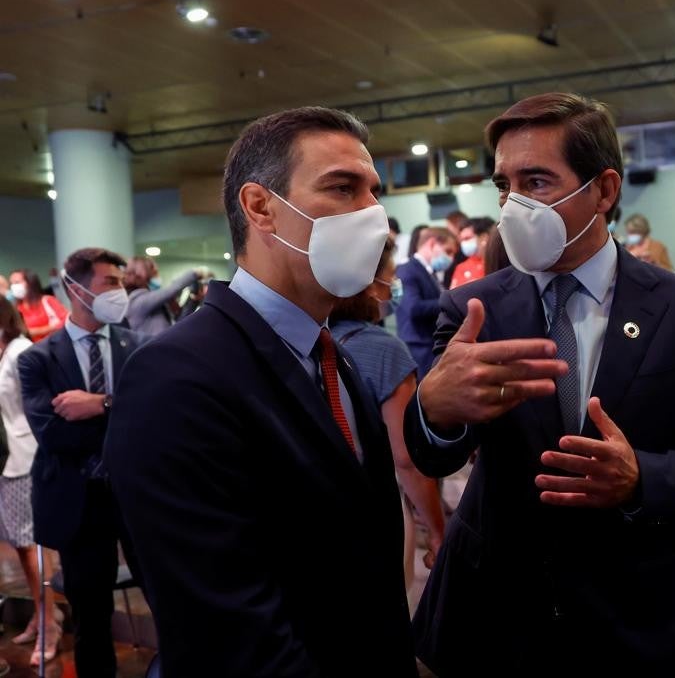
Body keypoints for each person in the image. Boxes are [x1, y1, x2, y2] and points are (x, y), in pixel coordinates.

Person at [406, 92, 675, 676]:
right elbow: (437, 454)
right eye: (504, 185)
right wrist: (434, 412)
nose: (514, 204)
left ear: (605, 191)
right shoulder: (471, 309)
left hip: (635, 613)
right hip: (496, 613)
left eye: (536, 181)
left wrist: (643, 478)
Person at [102, 107, 417, 676]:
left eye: (374, 191)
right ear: (260, 207)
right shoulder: (177, 375)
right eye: (343, 188)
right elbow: (225, 627)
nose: (374, 215)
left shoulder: (332, 356)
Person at [18, 247, 145, 678]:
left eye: (121, 282)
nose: (120, 291)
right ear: (75, 289)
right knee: (91, 618)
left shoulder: (137, 346)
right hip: (79, 501)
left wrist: (102, 403)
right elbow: (54, 435)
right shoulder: (38, 358)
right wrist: (122, 416)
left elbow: (155, 416)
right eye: (110, 282)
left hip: (136, 496)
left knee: (167, 596)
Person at [328, 238, 446, 606]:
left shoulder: (308, 341)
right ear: (367, 283)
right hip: (377, 508)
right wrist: (438, 530)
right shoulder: (383, 349)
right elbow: (406, 458)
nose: (393, 289)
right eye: (389, 279)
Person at [0, 298, 61, 667]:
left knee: (32, 545)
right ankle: (42, 616)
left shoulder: (21, 350)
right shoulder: (5, 351)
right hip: (8, 461)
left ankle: (50, 624)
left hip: (25, 458)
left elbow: (37, 405)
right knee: (22, 547)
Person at [397, 226, 456, 377]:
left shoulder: (430, 272)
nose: (451, 258)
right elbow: (414, 308)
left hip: (430, 345)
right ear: (432, 243)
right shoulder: (408, 269)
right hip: (418, 347)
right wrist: (450, 299)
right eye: (448, 251)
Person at [122, 256, 207, 336]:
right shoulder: (138, 301)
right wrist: (196, 272)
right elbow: (172, 289)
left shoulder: (153, 302)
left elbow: (180, 321)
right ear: (142, 275)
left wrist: (194, 300)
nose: (158, 276)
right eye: (155, 273)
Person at [9, 270, 66, 343]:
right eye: (11, 283)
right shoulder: (16, 308)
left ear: (30, 283)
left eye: (17, 282)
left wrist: (38, 331)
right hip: (32, 350)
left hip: (55, 345)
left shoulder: (48, 300)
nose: (13, 286)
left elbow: (66, 321)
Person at [449, 217, 496, 289]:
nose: (463, 243)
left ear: (484, 237)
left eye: (467, 238)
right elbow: (452, 295)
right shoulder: (461, 267)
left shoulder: (499, 261)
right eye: (462, 240)